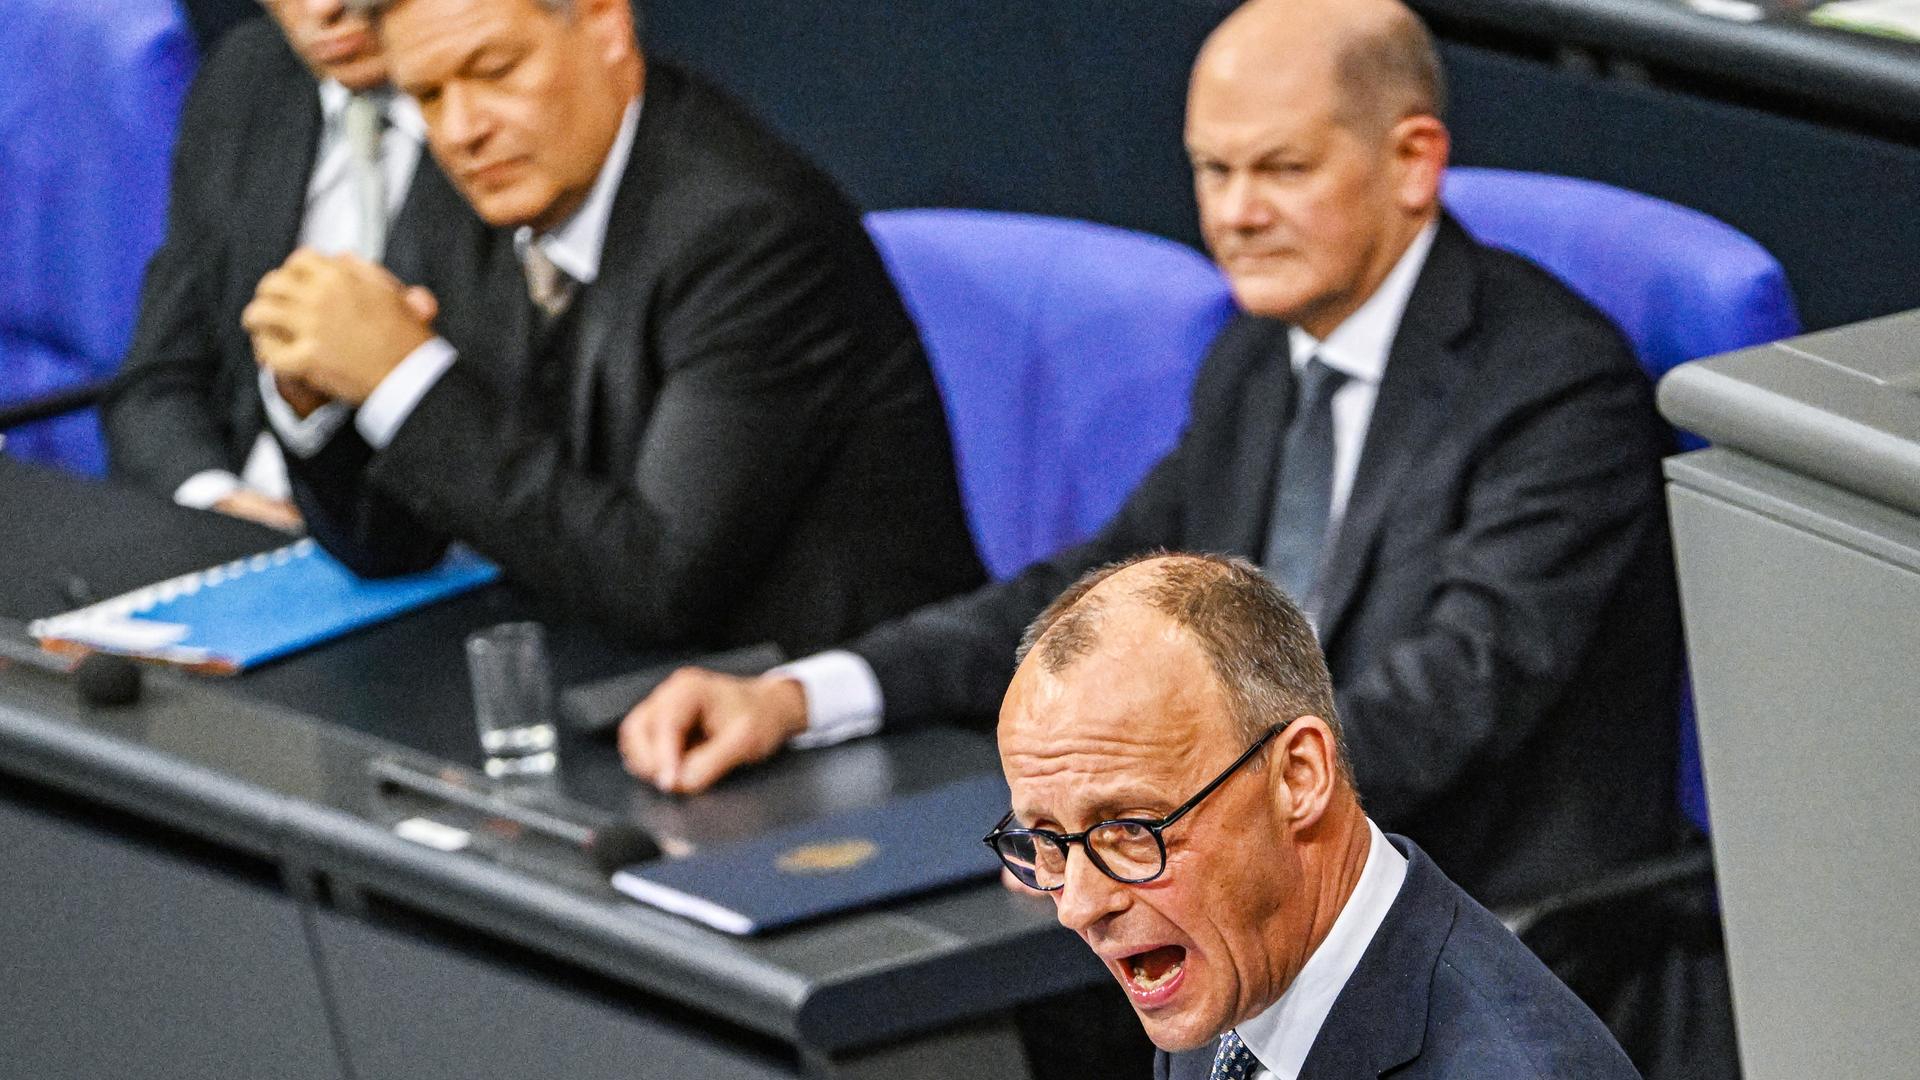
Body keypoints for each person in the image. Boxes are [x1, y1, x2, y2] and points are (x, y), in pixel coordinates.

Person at [621, 0, 1681, 915]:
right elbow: (1101, 594)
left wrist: (1150, 828)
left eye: (1281, 169)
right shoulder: (1260, 359)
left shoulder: (1556, 388)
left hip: (1474, 919)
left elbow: (1448, 698)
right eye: (1211, 171)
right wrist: (806, 695)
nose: (1234, 215)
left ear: (1413, 160)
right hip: (1249, 894)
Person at [239, 0, 983, 652]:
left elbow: (658, 581)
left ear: (604, 23)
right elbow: (390, 544)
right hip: (604, 686)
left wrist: (401, 380)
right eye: (427, 94)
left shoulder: (748, 230)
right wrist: (325, 400)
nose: (462, 128)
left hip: (826, 718)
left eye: (496, 69)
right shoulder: (466, 188)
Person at [991, 553, 1640, 1078]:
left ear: (1299, 778)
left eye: (1130, 829)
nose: (1077, 905)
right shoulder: (1222, 974)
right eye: (1047, 840)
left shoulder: (1516, 1067)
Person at [104, 0, 485, 532]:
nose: (325, 8)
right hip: (238, 523)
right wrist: (218, 502)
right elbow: (157, 378)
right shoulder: (246, 74)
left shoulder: (506, 124)